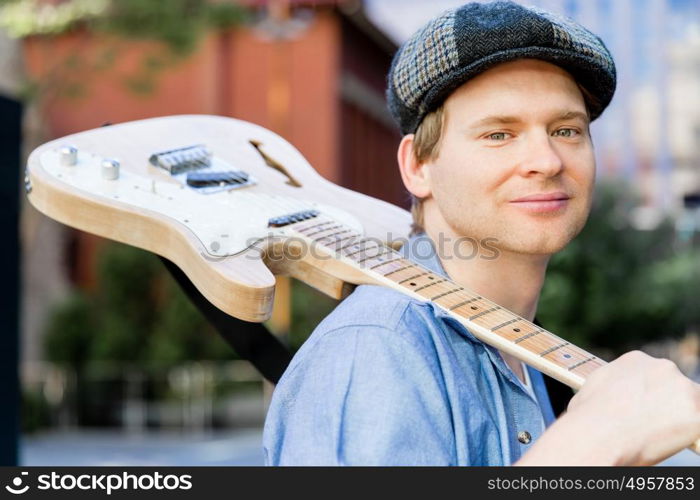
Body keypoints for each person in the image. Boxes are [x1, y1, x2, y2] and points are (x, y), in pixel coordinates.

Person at [262, 1, 700, 465]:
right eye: (499, 134)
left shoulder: (525, 348)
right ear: (417, 167)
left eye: (566, 130)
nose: (547, 161)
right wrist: (590, 447)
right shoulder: (376, 348)